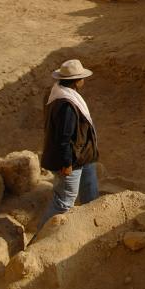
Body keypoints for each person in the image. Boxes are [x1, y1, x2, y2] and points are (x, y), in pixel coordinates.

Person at [39, 59, 100, 229]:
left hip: (82, 154)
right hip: (70, 160)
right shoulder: (67, 105)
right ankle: (39, 239)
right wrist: (67, 164)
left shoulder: (59, 92)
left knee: (90, 186)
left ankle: (94, 217)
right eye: (81, 78)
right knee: (64, 202)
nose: (83, 80)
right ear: (76, 81)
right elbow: (64, 139)